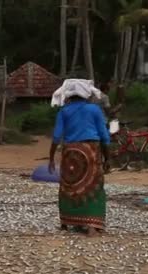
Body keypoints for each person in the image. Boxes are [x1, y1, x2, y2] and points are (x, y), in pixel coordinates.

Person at [49, 79, 111, 236]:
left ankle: (66, 222)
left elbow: (56, 137)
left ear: (69, 95)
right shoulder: (94, 109)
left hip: (71, 152)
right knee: (93, 186)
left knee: (69, 186)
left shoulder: (64, 111)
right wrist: (108, 157)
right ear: (86, 95)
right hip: (91, 150)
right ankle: (91, 226)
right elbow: (104, 135)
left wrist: (51, 158)